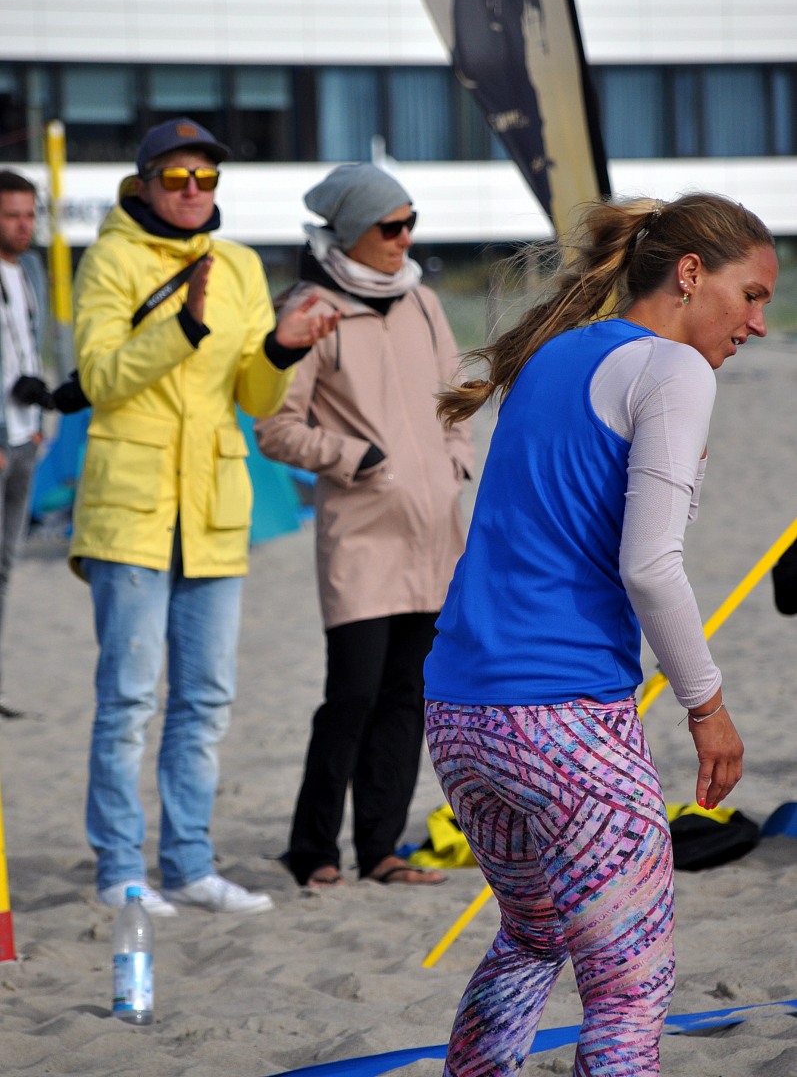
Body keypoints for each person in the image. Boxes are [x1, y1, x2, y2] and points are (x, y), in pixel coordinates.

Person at [423, 193, 778, 1075]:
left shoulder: (556, 352)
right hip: (562, 716)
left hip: (459, 708)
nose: (759, 324)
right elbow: (649, 566)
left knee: (532, 935)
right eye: (750, 296)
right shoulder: (672, 369)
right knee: (627, 989)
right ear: (689, 274)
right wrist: (706, 706)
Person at [68, 118, 339, 917]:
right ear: (144, 183)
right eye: (177, 177)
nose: (193, 190)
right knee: (127, 701)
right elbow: (99, 378)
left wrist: (282, 348)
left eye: (207, 178)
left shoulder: (241, 265)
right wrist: (182, 326)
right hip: (130, 510)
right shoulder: (110, 259)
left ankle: (189, 865)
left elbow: (253, 397)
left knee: (205, 701)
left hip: (214, 513)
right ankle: (121, 869)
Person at [255, 162, 473, 889]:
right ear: (351, 230)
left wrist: (454, 462)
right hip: (361, 531)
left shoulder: (424, 302)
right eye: (390, 225)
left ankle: (380, 850)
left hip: (435, 531)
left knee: (408, 696)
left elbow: (454, 401)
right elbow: (275, 429)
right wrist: (358, 458)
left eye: (411, 222)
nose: (405, 237)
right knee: (351, 695)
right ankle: (312, 849)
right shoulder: (310, 311)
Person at [0, 170, 50, 720]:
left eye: (29, 214)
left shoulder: (31, 269)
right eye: (11, 214)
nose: (23, 225)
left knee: (6, 565)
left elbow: (32, 344)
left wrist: (36, 422)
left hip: (25, 437)